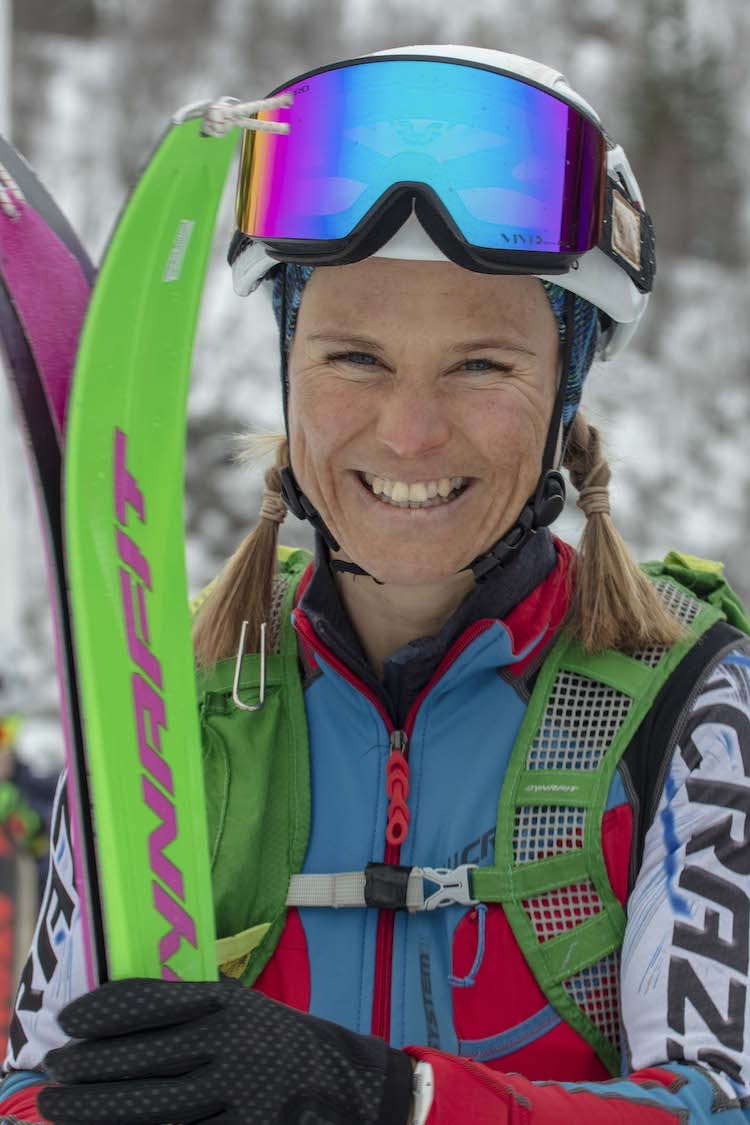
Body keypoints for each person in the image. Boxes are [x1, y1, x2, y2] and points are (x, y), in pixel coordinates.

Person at [1, 42, 750, 1125]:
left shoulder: (687, 705)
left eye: (481, 365)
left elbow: (722, 1101)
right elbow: (35, 1086)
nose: (408, 433)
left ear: (566, 389)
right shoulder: (167, 707)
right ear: (287, 366)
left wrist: (396, 1100)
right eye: (354, 357)